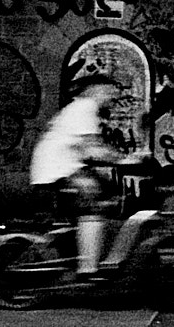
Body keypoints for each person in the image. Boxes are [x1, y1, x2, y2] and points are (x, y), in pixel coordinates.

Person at [29, 74, 127, 277]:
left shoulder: (75, 109)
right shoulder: (85, 107)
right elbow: (92, 148)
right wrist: (126, 159)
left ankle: (77, 247)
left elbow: (83, 149)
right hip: (60, 170)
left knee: (105, 193)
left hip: (55, 169)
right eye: (109, 91)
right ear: (94, 90)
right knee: (93, 209)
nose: (112, 97)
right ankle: (88, 268)